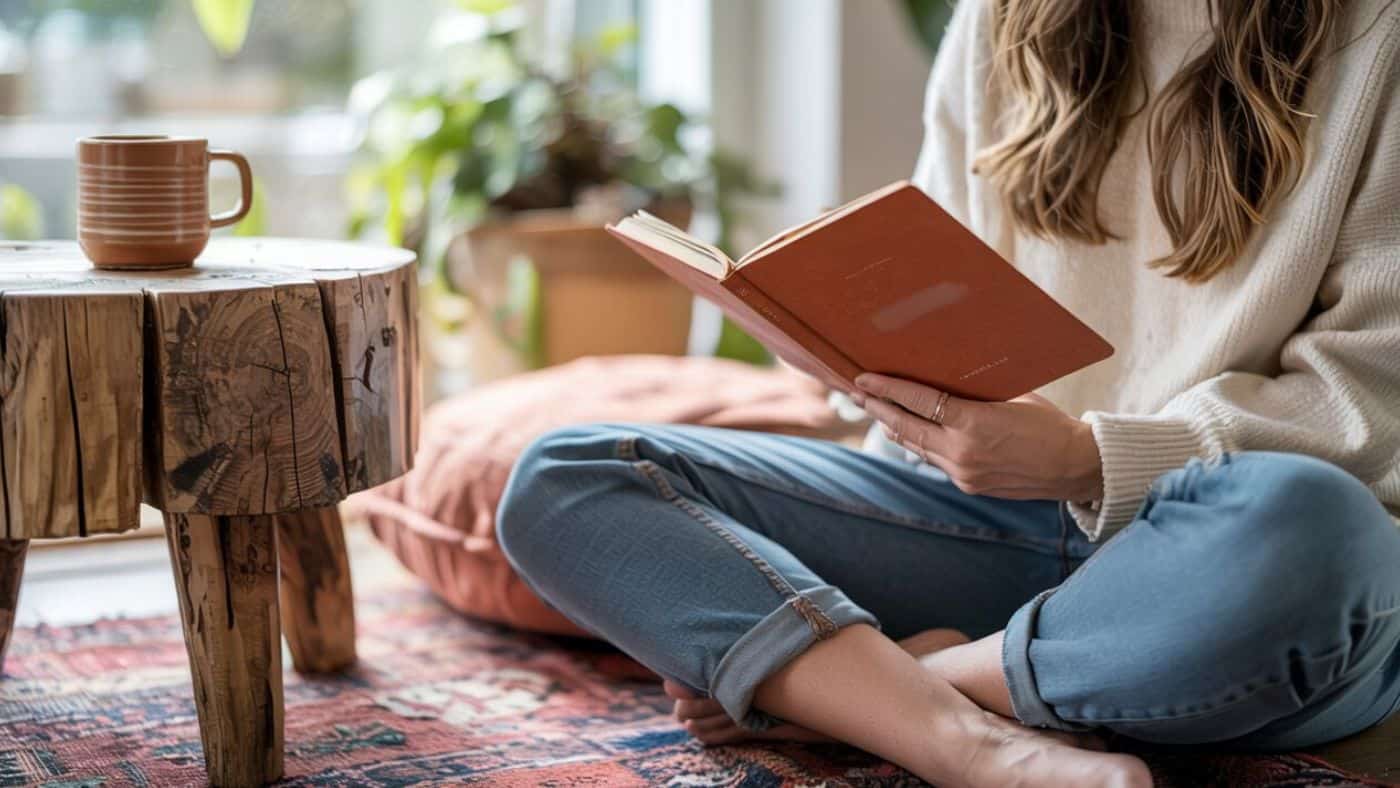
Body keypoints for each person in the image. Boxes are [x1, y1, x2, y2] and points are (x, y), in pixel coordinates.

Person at [496, 0, 1400, 784]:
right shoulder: (1007, 15)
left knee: (1313, 532)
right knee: (567, 476)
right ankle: (964, 740)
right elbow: (940, 276)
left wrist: (1087, 459)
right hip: (974, 519)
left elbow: (1365, 402)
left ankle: (880, 688)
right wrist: (832, 346)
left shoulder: (1379, 34)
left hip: (1218, 551)